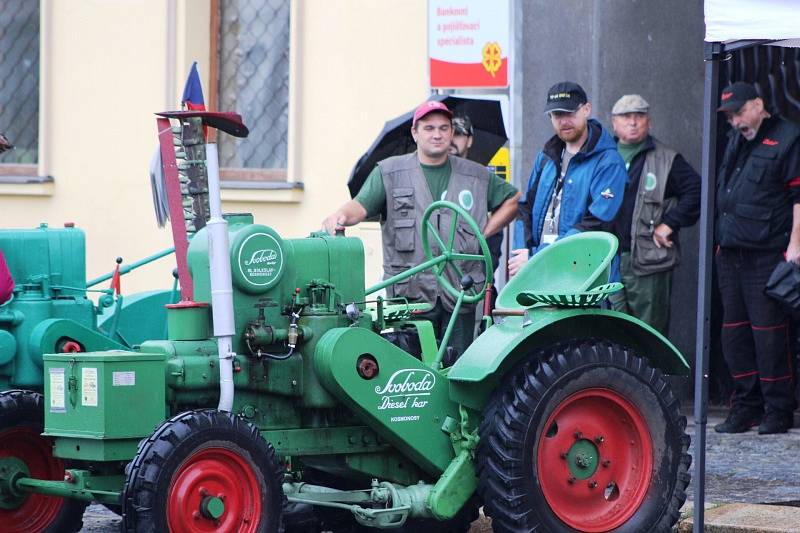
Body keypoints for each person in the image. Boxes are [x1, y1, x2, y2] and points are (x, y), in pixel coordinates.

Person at [322, 101, 519, 355]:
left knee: (459, 367)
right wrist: (340, 215)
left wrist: (483, 231)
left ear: (451, 132)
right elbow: (359, 206)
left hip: (461, 293)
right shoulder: (389, 172)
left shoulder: (476, 175)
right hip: (410, 294)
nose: (437, 134)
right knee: (410, 368)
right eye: (429, 128)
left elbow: (513, 201)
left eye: (444, 128)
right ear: (415, 133)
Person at [713, 81, 800, 434]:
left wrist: (795, 246)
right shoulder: (737, 139)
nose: (734, 121)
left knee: (769, 336)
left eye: (738, 112)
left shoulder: (788, 137)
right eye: (730, 116)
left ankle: (778, 409)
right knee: (734, 336)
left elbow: (799, 199)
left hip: (767, 253)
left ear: (758, 104)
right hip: (731, 253)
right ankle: (745, 406)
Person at [510, 81, 627, 276]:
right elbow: (524, 209)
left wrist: (535, 257)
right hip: (541, 273)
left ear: (587, 109)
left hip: (586, 278)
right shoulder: (546, 157)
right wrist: (520, 256)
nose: (564, 120)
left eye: (570, 112)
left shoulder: (609, 162)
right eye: (557, 115)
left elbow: (596, 225)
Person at [606, 94, 701, 334]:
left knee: (649, 334)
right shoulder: (602, 155)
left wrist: (670, 223)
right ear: (613, 123)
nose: (633, 122)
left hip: (648, 260)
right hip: (606, 260)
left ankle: (648, 374)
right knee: (609, 331)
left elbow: (697, 191)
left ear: (650, 122)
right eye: (626, 117)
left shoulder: (667, 159)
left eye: (639, 116)